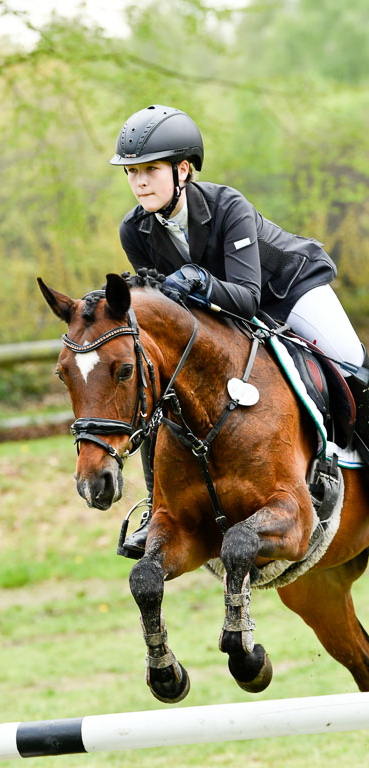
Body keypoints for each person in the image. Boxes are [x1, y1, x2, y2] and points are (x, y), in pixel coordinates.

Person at [110, 104, 369, 558]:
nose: (140, 182)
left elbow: (249, 297)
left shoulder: (227, 206)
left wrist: (200, 282)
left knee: (351, 362)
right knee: (159, 385)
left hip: (288, 291)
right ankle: (157, 508)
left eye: (151, 169)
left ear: (183, 169)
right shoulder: (135, 230)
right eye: (133, 173)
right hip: (224, 316)